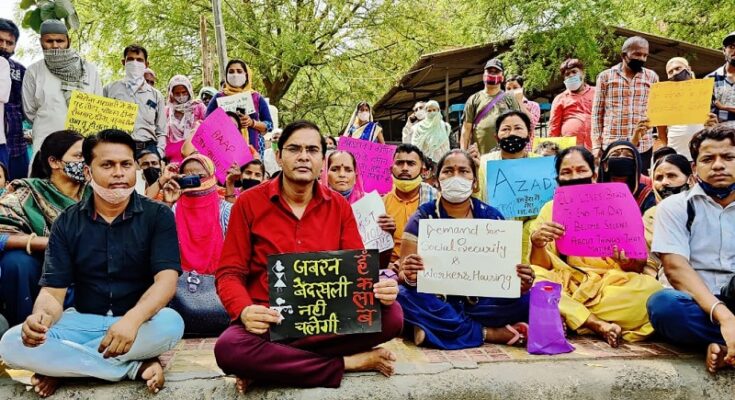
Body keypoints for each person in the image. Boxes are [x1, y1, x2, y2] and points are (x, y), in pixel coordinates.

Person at [214, 120, 403, 392]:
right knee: (229, 349)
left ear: (321, 161)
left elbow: (356, 270)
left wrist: (379, 286)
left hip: (326, 321)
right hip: (270, 322)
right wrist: (244, 310)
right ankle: (348, 363)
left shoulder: (338, 205)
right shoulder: (248, 203)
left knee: (393, 315)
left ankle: (274, 367)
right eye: (294, 149)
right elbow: (229, 272)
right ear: (278, 156)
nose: (304, 156)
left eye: (313, 150)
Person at [0, 129, 184, 397]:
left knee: (172, 323)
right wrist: (41, 319)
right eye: (107, 165)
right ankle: (131, 367)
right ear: (88, 172)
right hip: (81, 320)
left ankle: (64, 367)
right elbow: (52, 292)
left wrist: (132, 320)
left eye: (126, 164)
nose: (119, 173)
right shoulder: (67, 222)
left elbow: (166, 281)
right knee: (12, 343)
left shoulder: (158, 216)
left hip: (140, 324)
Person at [397, 149, 533, 349]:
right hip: (437, 299)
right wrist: (409, 273)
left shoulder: (492, 217)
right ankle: (490, 333)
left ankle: (437, 328)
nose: (455, 177)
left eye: (463, 171)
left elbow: (507, 276)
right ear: (437, 179)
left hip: (480, 303)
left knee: (529, 299)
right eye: (448, 171)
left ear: (475, 181)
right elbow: (403, 273)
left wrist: (520, 282)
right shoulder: (423, 217)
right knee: (402, 296)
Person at [529, 146, 662, 347]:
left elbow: (637, 266)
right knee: (536, 281)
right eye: (566, 172)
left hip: (612, 287)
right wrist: (537, 244)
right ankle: (596, 324)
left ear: (593, 173)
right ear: (558, 178)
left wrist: (626, 262)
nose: (574, 176)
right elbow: (542, 267)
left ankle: (570, 317)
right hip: (569, 285)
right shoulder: (550, 209)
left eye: (581, 170)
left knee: (651, 292)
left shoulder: (619, 204)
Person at [646, 126, 735, 374]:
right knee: (663, 305)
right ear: (695, 169)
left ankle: (721, 344)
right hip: (697, 304)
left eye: (728, 157)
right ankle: (727, 336)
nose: (718, 165)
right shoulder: (675, 207)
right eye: (708, 159)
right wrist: (724, 316)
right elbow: (675, 269)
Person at [0, 130, 86, 327]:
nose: (85, 161)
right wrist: (45, 243)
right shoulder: (29, 192)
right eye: (79, 156)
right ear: (54, 162)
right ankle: (25, 330)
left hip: (86, 266)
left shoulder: (97, 194)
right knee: (16, 262)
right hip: (40, 267)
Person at [22, 20, 103, 158]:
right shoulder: (33, 71)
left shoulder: (89, 70)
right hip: (45, 143)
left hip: (82, 144)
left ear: (68, 41)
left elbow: (98, 105)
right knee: (43, 178)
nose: (55, 46)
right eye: (49, 41)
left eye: (60, 41)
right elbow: (29, 112)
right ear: (41, 42)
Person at [592, 36, 659, 172]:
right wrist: (596, 146)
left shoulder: (652, 77)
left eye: (645, 55)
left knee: (640, 184)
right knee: (614, 186)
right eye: (637, 54)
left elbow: (656, 110)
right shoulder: (605, 77)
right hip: (612, 145)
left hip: (643, 145)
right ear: (624, 55)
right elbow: (597, 113)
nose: (642, 59)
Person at [103, 45, 166, 159]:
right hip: (117, 149)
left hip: (148, 149)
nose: (135, 63)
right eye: (131, 59)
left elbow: (161, 131)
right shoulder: (109, 89)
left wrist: (158, 152)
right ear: (124, 62)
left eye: (139, 60)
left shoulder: (156, 96)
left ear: (146, 64)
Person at [643, 154, 695, 283]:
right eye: (659, 178)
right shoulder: (651, 215)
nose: (665, 182)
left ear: (689, 179)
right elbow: (648, 262)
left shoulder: (704, 209)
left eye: (672, 175)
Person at [383, 144, 438, 266]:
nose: (404, 168)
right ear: (391, 168)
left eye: (411, 164)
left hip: (425, 267)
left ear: (422, 170)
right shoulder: (381, 203)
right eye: (400, 163)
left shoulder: (436, 200)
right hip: (389, 268)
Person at [205, 59, 273, 158]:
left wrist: (252, 123)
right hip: (226, 150)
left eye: (239, 71)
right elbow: (207, 124)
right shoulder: (219, 97)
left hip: (254, 150)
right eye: (231, 72)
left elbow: (269, 125)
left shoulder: (256, 97)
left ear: (246, 74)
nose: (235, 75)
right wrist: (225, 123)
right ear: (226, 75)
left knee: (252, 173)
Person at [657, 57, 719, 160]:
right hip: (676, 154)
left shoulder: (704, 92)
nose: (675, 73)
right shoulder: (664, 98)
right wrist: (667, 149)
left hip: (702, 153)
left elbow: (713, 122)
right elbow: (661, 131)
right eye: (670, 72)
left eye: (678, 68)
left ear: (688, 69)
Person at [459, 58, 523, 154]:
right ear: (483, 74)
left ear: (502, 77)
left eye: (496, 72)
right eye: (489, 71)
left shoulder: (510, 99)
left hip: (505, 155)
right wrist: (463, 154)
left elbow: (518, 126)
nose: (492, 74)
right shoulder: (474, 99)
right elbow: (466, 130)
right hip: (480, 156)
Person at [0, 19, 29, 181]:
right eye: (0, 40)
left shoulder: (20, 70)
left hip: (18, 145)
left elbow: (27, 106)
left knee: (21, 189)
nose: (4, 46)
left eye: (9, 42)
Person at [598, 140, 656, 214]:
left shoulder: (646, 194)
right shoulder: (594, 195)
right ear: (605, 165)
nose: (621, 158)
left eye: (628, 156)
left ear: (635, 164)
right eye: (615, 155)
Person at [549, 58, 595, 149]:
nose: (571, 75)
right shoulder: (560, 99)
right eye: (567, 74)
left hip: (596, 148)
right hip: (571, 150)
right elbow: (554, 129)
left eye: (574, 72)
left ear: (583, 73)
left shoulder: (598, 93)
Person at [164, 75, 206, 164]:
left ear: (189, 91)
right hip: (174, 159)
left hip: (196, 156)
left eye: (184, 92)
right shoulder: (167, 111)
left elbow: (208, 128)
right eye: (177, 93)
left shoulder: (198, 107)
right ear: (171, 93)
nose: (181, 96)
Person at [505, 75, 540, 150]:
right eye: (508, 89)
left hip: (527, 149)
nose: (511, 91)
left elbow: (532, 124)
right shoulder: (503, 107)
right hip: (507, 149)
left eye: (515, 88)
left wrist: (520, 102)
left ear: (521, 88)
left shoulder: (533, 105)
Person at [708, 32, 735, 126]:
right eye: (732, 46)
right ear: (724, 50)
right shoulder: (709, 79)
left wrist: (723, 107)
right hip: (719, 137)